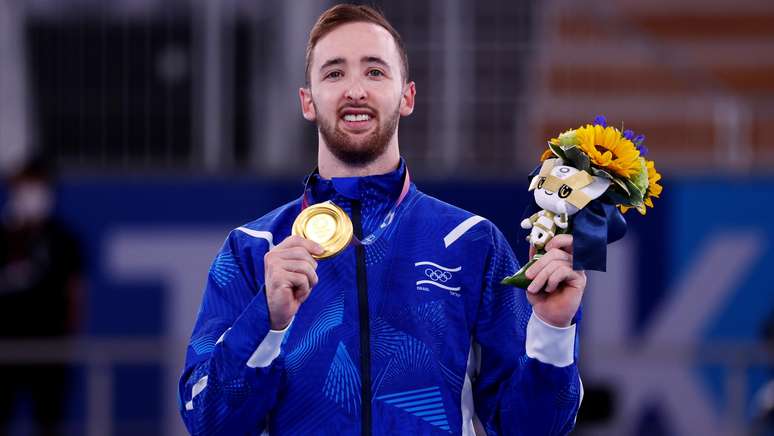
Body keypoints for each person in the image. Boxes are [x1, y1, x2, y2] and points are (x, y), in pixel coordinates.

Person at [179, 4, 585, 435]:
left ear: (407, 96)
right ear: (308, 101)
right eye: (334, 73)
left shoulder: (471, 243)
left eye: (375, 72)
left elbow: (532, 429)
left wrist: (552, 331)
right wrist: (267, 318)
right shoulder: (254, 248)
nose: (355, 90)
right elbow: (207, 421)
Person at [0, 157, 83, 435]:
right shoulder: (3, 237)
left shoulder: (63, 239)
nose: (33, 192)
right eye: (27, 184)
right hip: (5, 349)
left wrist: (64, 342)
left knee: (48, 422)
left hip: (49, 347)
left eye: (39, 184)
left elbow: (76, 294)